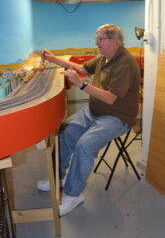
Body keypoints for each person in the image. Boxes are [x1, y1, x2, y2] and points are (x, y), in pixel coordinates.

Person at [37, 24, 141, 216]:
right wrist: (52, 58)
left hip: (117, 117)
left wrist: (81, 84)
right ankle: (58, 177)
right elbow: (81, 68)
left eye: (100, 39)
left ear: (114, 41)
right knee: (65, 130)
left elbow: (110, 98)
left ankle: (74, 194)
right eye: (97, 38)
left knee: (85, 144)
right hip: (94, 112)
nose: (96, 42)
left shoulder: (125, 63)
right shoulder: (104, 58)